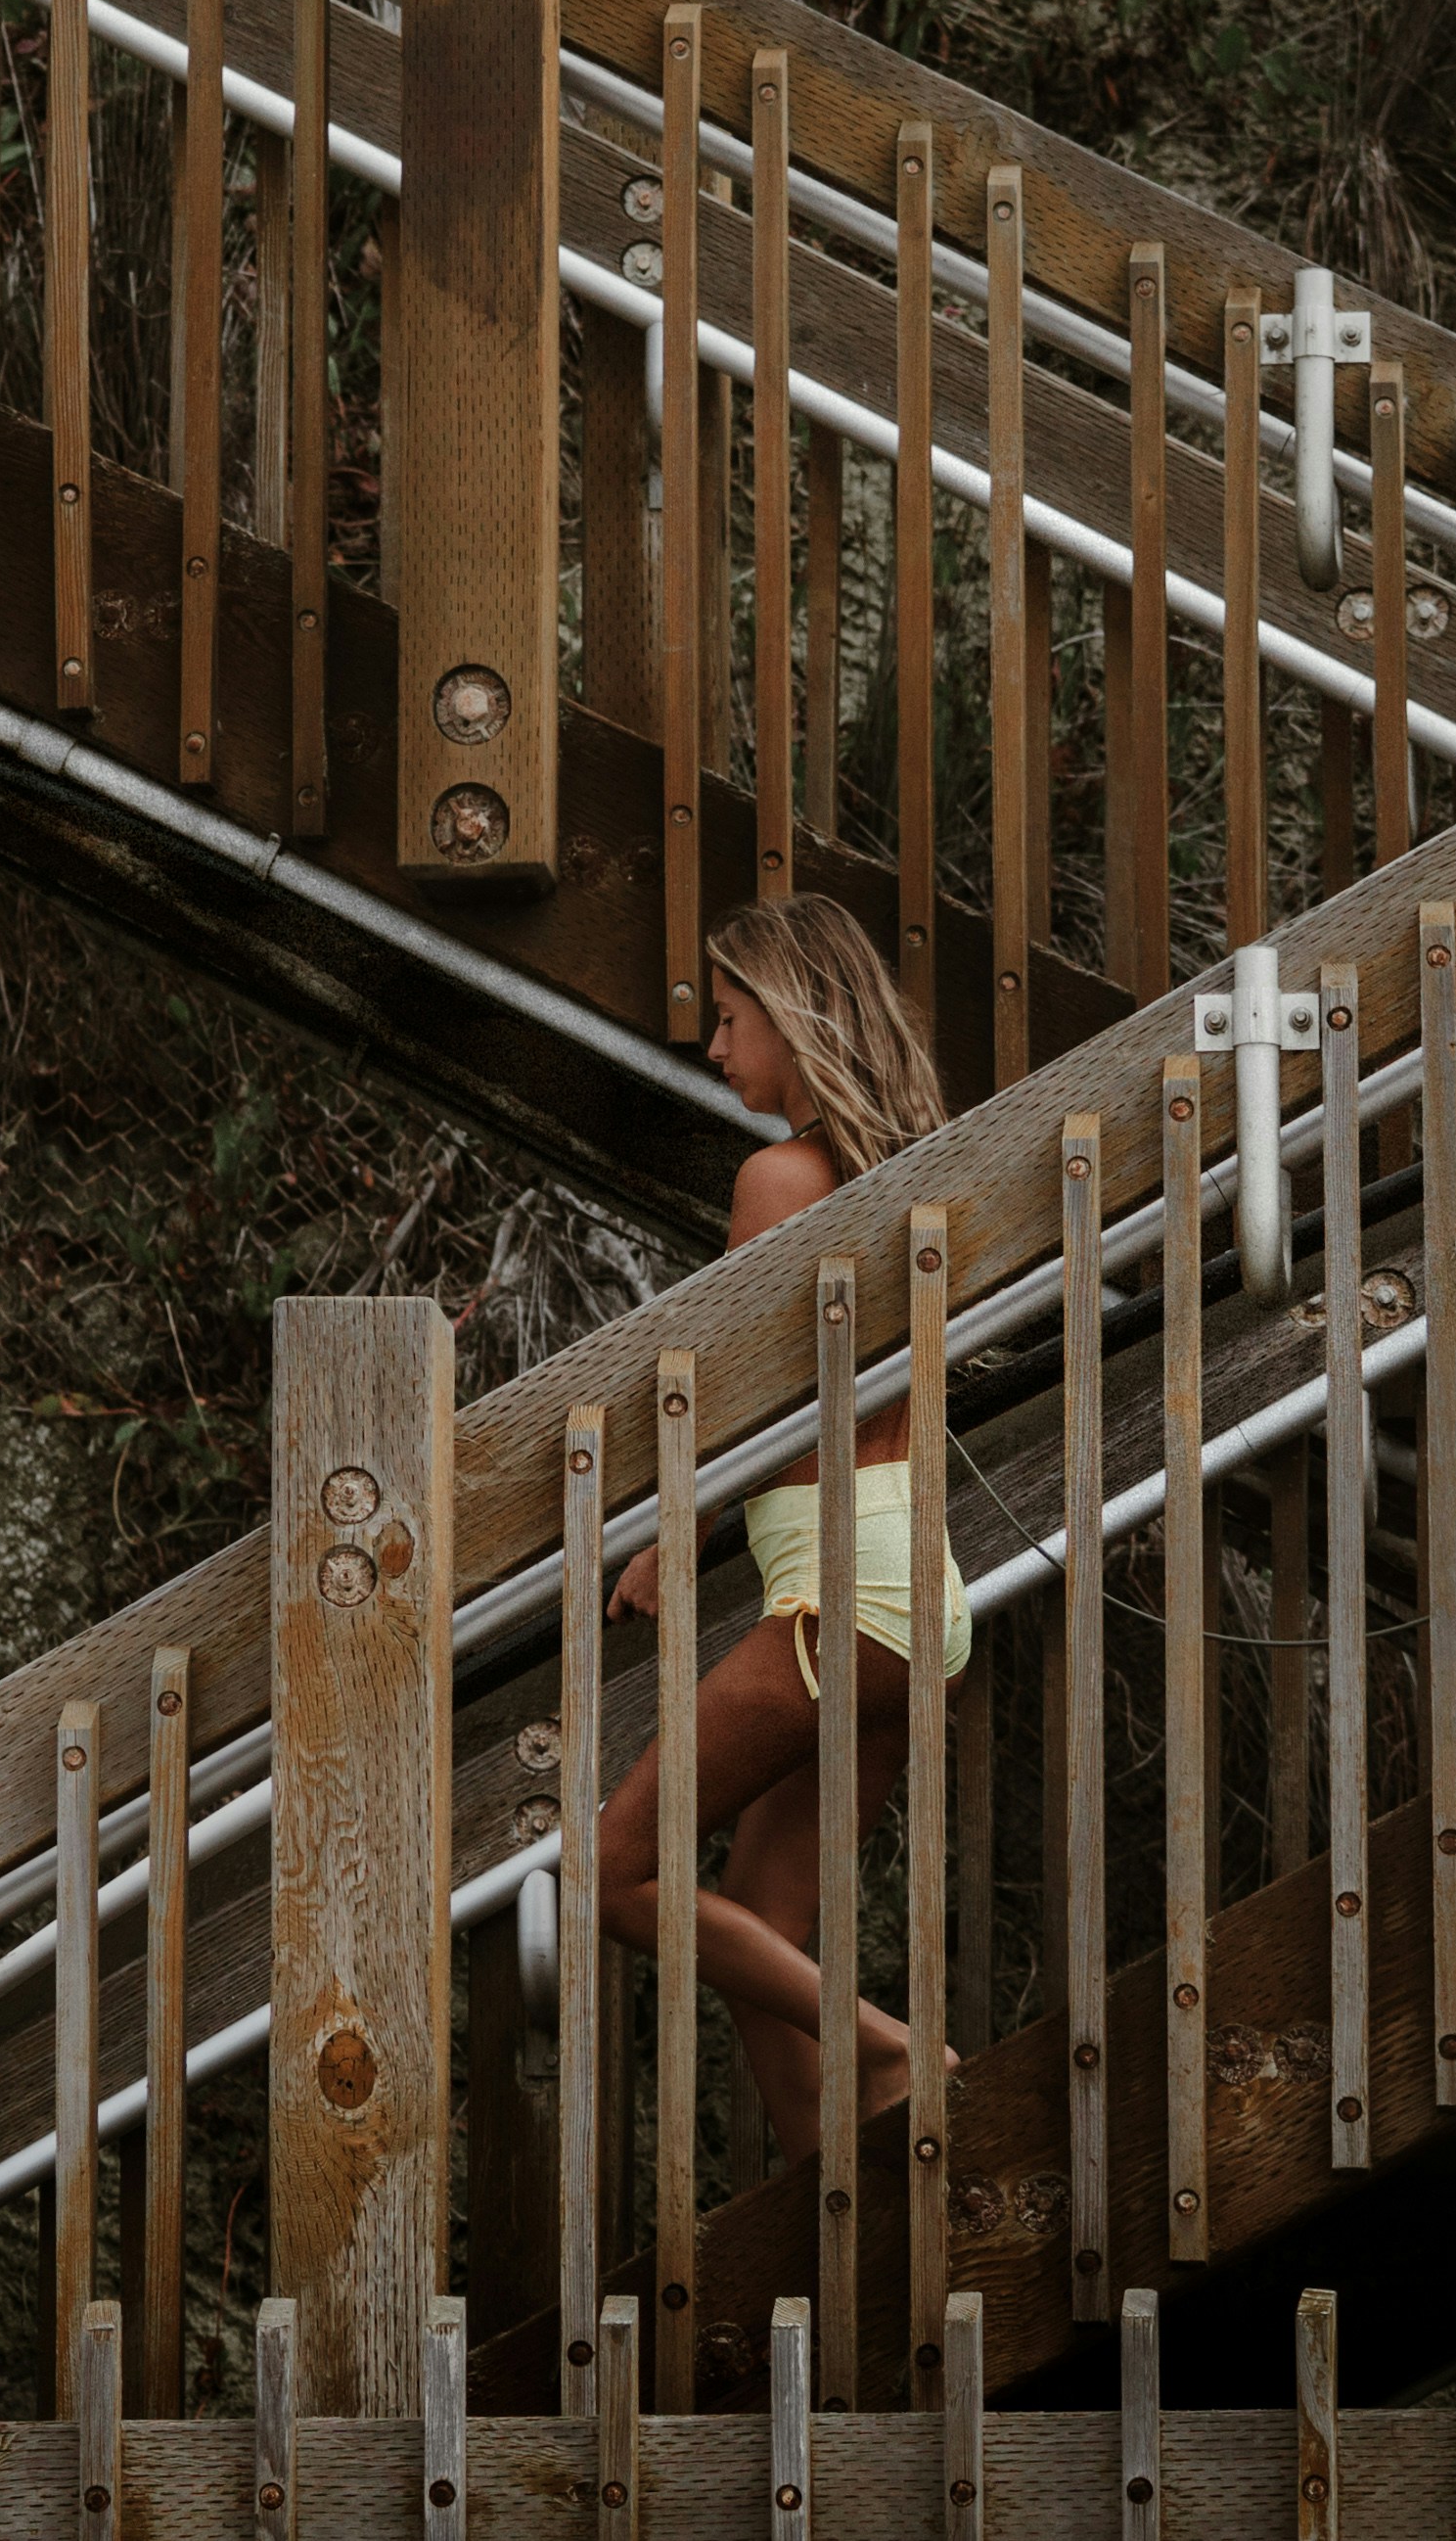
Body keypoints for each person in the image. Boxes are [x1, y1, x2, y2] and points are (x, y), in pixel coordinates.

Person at [587, 892, 958, 2160]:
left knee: (616, 1872)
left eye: (730, 1015)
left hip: (842, 1588)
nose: (713, 1044)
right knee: (753, 1915)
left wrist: (669, 1540)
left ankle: (893, 2048)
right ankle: (832, 2178)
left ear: (794, 1016)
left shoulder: (782, 1178)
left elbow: (742, 1392)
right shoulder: (898, 1174)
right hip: (910, 1584)